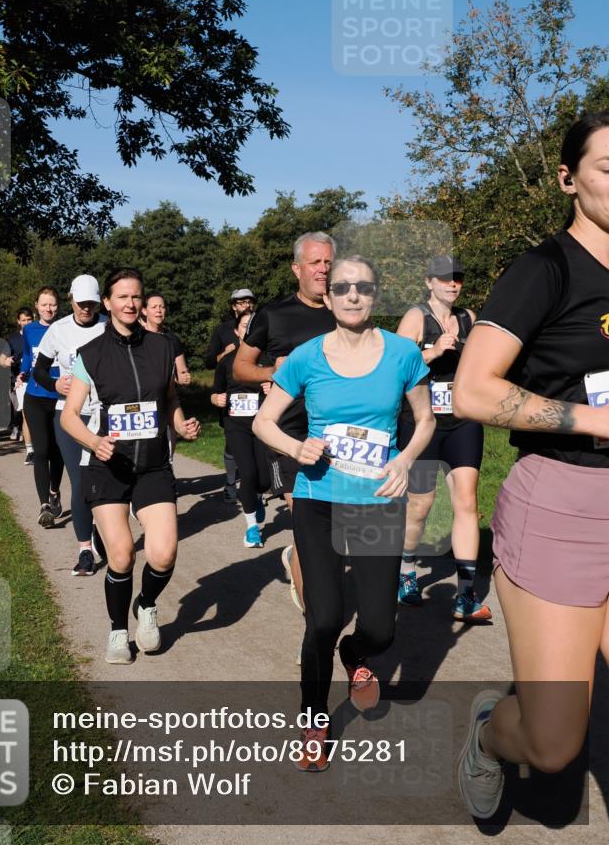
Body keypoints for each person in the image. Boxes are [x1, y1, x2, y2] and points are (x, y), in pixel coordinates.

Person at [454, 111, 609, 821]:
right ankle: (491, 734)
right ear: (568, 179)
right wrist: (593, 420)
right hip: (563, 507)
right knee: (551, 747)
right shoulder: (545, 269)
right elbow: (473, 389)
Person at [253, 255, 435, 770]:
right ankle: (313, 716)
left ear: (376, 295)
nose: (353, 295)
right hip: (319, 497)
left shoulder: (402, 354)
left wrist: (404, 458)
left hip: (377, 499)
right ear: (328, 296)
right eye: (342, 287)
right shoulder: (307, 357)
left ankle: (356, 656)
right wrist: (295, 448)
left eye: (364, 287)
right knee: (324, 617)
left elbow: (424, 419)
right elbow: (265, 422)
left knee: (380, 627)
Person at [60, 268, 201, 664]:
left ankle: (147, 604)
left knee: (163, 553)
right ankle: (118, 631)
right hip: (108, 465)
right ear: (108, 303)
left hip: (153, 466)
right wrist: (93, 442)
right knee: (121, 555)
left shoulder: (161, 348)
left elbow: (170, 399)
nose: (130, 304)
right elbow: (70, 416)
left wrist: (181, 423)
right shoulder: (92, 355)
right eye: (121, 297)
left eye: (136, 296)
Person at [234, 233, 336, 615]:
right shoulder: (272, 315)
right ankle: (316, 631)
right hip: (288, 434)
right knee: (312, 531)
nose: (322, 270)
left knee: (333, 535)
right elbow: (241, 367)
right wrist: (270, 369)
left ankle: (296, 554)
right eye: (314, 263)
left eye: (328, 262)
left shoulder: (348, 311)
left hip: (338, 436)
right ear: (297, 269)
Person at [395, 255, 490, 621]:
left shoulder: (469, 318)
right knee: (420, 505)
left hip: (463, 420)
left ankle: (465, 595)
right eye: (445, 279)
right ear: (429, 282)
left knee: (467, 502)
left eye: (458, 279)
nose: (453, 285)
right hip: (422, 422)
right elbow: (398, 366)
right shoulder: (416, 317)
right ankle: (406, 572)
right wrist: (433, 352)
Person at [31, 275, 108, 576]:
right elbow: (37, 370)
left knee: (100, 483)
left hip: (103, 414)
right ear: (71, 298)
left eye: (91, 303)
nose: (86, 308)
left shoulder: (109, 326)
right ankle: (85, 550)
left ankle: (101, 532)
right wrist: (54, 383)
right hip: (70, 414)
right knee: (79, 481)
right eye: (81, 302)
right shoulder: (58, 330)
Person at [211, 310, 270, 547]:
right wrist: (216, 400)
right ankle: (251, 527)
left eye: (252, 325)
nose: (248, 329)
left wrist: (271, 389)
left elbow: (286, 390)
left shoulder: (267, 359)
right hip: (236, 425)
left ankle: (256, 496)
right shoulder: (226, 361)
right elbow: (214, 392)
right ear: (237, 331)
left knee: (264, 479)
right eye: (244, 325)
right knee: (247, 472)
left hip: (262, 424)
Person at [205, 288, 257, 503]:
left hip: (256, 398)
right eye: (241, 302)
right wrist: (225, 354)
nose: (246, 305)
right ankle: (229, 482)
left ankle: (252, 486)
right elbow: (209, 362)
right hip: (231, 397)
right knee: (231, 443)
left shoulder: (261, 327)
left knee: (256, 443)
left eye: (249, 302)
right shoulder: (223, 330)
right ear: (233, 306)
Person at [19, 287, 64, 527]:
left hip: (60, 398)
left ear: (58, 306)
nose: (49, 309)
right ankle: (44, 505)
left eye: (53, 304)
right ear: (36, 305)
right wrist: (22, 372)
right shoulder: (29, 330)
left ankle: (55, 490)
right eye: (44, 304)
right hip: (35, 397)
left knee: (58, 451)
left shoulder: (65, 329)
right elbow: (28, 356)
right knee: (41, 451)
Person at [0, 306, 33, 442]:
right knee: (20, 410)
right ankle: (16, 426)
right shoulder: (12, 340)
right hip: (18, 381)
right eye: (23, 320)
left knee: (28, 412)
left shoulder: (40, 335)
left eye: (29, 320)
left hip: (36, 379)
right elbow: (1, 359)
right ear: (18, 321)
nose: (26, 323)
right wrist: (6, 361)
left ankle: (30, 442)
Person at [142, 292, 191, 385]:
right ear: (144, 311)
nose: (159, 310)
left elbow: (182, 372)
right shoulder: (136, 337)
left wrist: (183, 378)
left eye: (162, 307)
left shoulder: (173, 339)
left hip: (165, 395)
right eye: (154, 307)